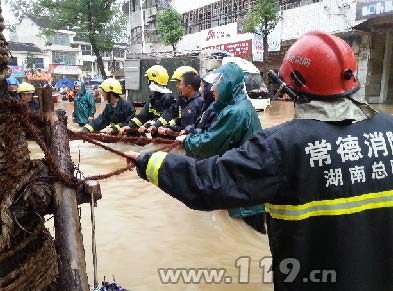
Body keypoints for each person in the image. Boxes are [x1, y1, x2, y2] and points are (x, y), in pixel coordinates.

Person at [125, 31, 392, 290]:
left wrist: (148, 163)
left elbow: (209, 183)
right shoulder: (389, 129)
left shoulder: (281, 145)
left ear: (293, 85)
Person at [119, 65, 174, 135]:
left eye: (149, 80)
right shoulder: (153, 98)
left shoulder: (169, 99)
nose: (148, 83)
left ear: (153, 81)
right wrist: (129, 126)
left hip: (165, 135)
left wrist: (148, 125)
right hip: (154, 134)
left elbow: (166, 118)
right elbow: (142, 116)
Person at [159, 71, 204, 136]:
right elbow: (183, 126)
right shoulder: (186, 102)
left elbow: (196, 129)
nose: (178, 87)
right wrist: (168, 128)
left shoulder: (199, 103)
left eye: (180, 84)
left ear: (188, 88)